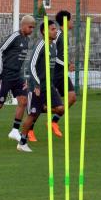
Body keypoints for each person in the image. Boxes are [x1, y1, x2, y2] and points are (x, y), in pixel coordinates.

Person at [17, 21, 65, 152]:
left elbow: (55, 64)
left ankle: (42, 108)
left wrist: (67, 65)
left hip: (49, 86)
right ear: (45, 31)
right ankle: (22, 143)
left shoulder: (53, 46)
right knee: (32, 116)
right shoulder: (40, 45)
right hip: (36, 87)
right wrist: (36, 84)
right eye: (52, 29)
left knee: (61, 109)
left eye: (56, 29)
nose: (55, 31)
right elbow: (31, 66)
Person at [50, 10, 79, 138]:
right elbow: (53, 54)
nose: (73, 22)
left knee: (72, 97)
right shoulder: (58, 36)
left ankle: (53, 121)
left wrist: (68, 62)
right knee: (42, 103)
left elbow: (62, 55)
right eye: (71, 19)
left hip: (62, 74)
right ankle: (29, 129)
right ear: (66, 21)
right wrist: (67, 65)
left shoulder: (65, 36)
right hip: (54, 74)